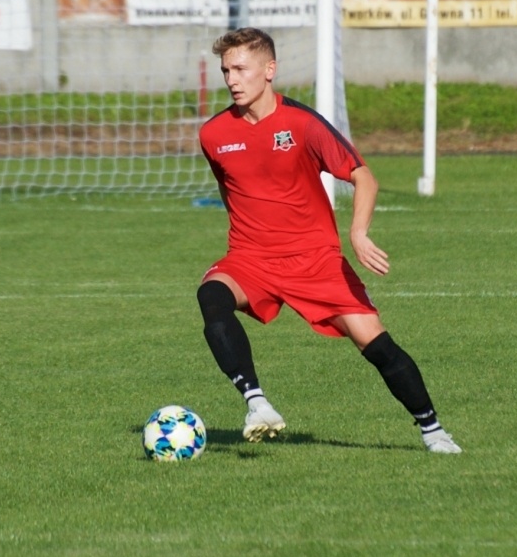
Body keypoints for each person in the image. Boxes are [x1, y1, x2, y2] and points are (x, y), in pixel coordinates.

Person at [195, 27, 460, 454]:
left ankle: (434, 432)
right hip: (252, 259)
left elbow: (362, 176)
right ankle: (257, 403)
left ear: (270, 70)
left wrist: (357, 233)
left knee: (376, 344)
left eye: (241, 68)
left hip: (316, 261)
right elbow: (236, 192)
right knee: (211, 295)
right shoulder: (213, 134)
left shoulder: (301, 123)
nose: (232, 79)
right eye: (226, 70)